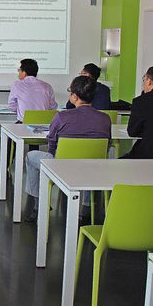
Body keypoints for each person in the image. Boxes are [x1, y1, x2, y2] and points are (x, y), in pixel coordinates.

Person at [22, 76, 112, 221]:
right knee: (88, 162)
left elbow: (51, 142)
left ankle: (39, 205)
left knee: (30, 156)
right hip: (93, 166)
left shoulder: (61, 117)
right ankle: (86, 207)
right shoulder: (105, 118)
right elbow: (107, 143)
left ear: (75, 97)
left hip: (61, 167)